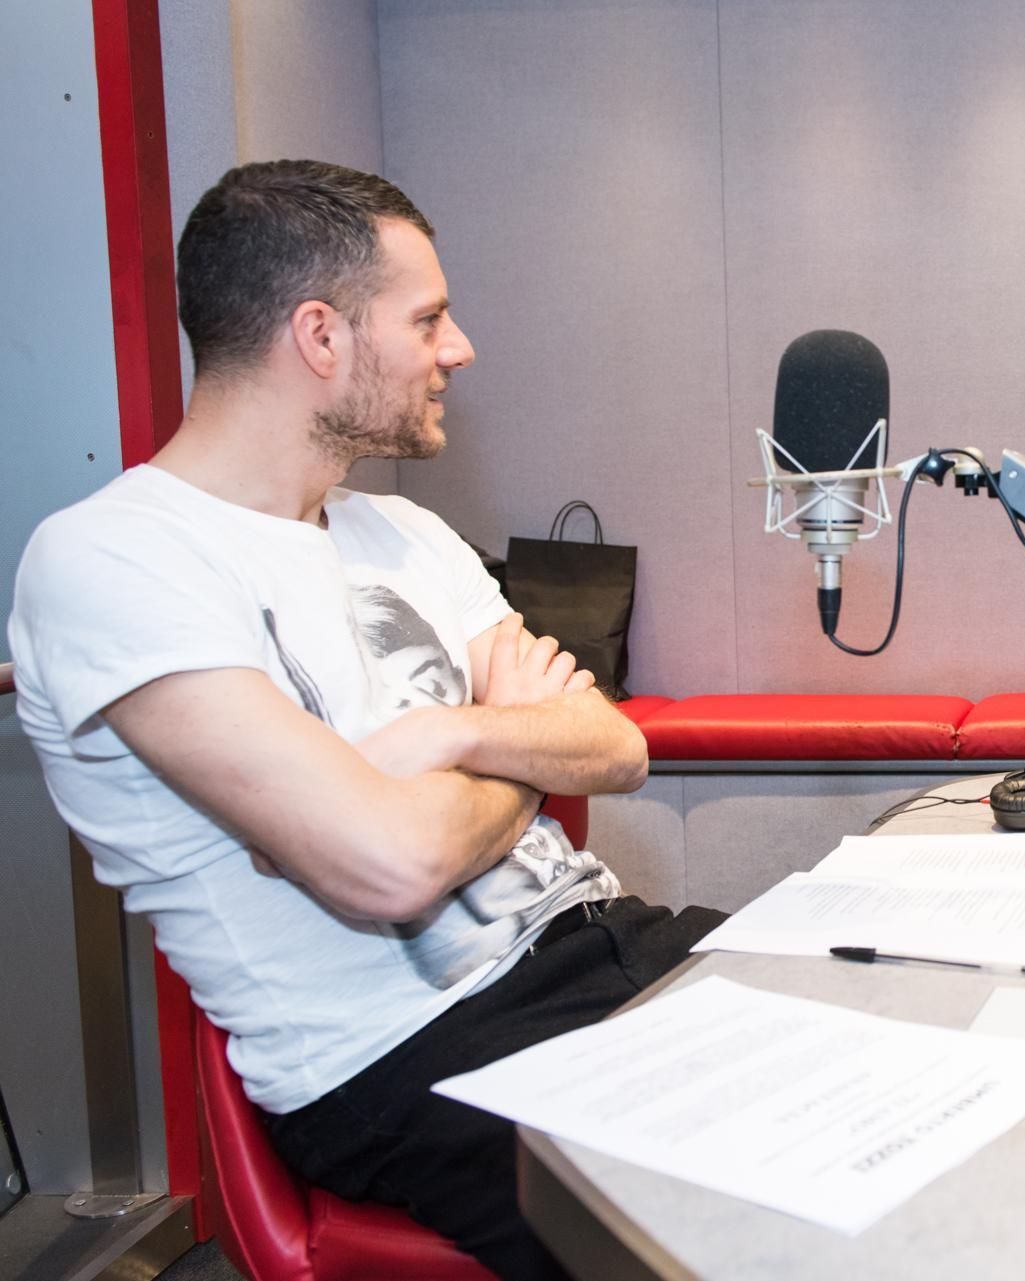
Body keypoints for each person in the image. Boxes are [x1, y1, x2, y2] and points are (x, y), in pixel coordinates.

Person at [7, 159, 724, 1280]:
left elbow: (616, 746)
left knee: (950, 1040)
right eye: (428, 319)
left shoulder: (404, 531)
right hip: (420, 1053)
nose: (459, 348)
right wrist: (519, 738)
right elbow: (390, 867)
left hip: (608, 943)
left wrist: (450, 735)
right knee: (828, 1223)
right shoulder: (113, 558)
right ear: (320, 336)